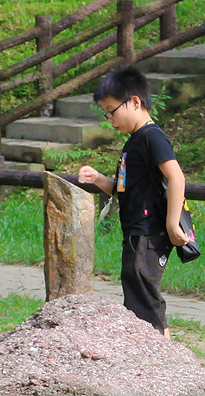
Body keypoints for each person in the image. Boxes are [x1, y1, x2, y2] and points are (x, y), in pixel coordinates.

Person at [78, 66, 189, 337]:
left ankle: (164, 360)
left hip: (149, 232)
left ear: (135, 102)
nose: (110, 119)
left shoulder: (152, 136)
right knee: (136, 297)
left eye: (112, 111)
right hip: (135, 233)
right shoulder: (135, 141)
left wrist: (173, 223)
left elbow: (176, 177)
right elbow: (122, 189)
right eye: (106, 113)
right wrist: (98, 179)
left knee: (145, 300)